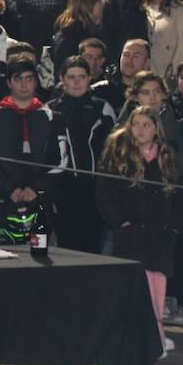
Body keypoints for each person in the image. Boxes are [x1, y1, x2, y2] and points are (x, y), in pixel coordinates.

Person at [97, 105, 183, 351]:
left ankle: (155, 335)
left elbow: (181, 195)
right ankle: (129, 336)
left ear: (156, 129)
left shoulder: (167, 155)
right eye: (136, 124)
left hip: (160, 234)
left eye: (146, 125)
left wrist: (174, 227)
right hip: (130, 233)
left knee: (157, 284)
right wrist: (122, 223)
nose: (140, 130)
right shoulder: (117, 153)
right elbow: (105, 194)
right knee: (132, 284)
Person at [0, 58, 70, 242]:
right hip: (1, 201)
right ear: (9, 82)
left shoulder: (54, 118)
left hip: (40, 201)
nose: (24, 84)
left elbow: (62, 161)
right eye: (18, 79)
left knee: (41, 258)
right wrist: (9, 188)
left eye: (29, 78)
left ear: (36, 81)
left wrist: (37, 188)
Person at [48, 56, 118, 252]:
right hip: (63, 189)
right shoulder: (51, 109)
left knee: (93, 247)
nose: (77, 82)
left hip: (95, 190)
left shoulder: (102, 108)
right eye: (71, 77)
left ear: (89, 79)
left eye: (81, 76)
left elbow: (113, 150)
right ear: (62, 79)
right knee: (66, 247)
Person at [49, 0, 105, 76]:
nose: (102, 5)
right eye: (99, 1)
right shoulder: (70, 33)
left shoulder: (95, 29)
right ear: (88, 4)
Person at [91, 38, 151, 114]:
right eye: (126, 55)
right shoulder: (100, 91)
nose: (129, 60)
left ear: (147, 62)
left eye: (136, 56)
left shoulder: (154, 94)